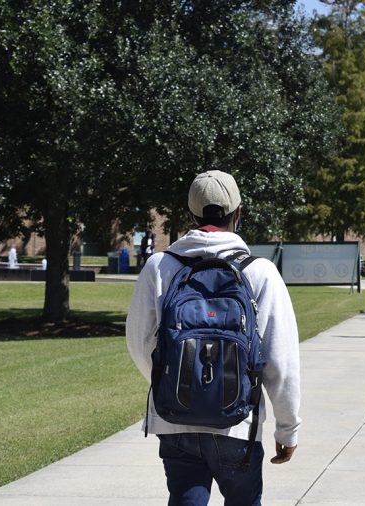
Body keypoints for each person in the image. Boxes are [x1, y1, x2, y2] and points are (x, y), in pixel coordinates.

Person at [126, 170, 301, 505]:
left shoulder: (160, 266)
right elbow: (281, 359)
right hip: (238, 423)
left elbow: (139, 342)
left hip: (174, 419)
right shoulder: (259, 270)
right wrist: (287, 428)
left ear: (190, 215)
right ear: (238, 213)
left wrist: (174, 385)